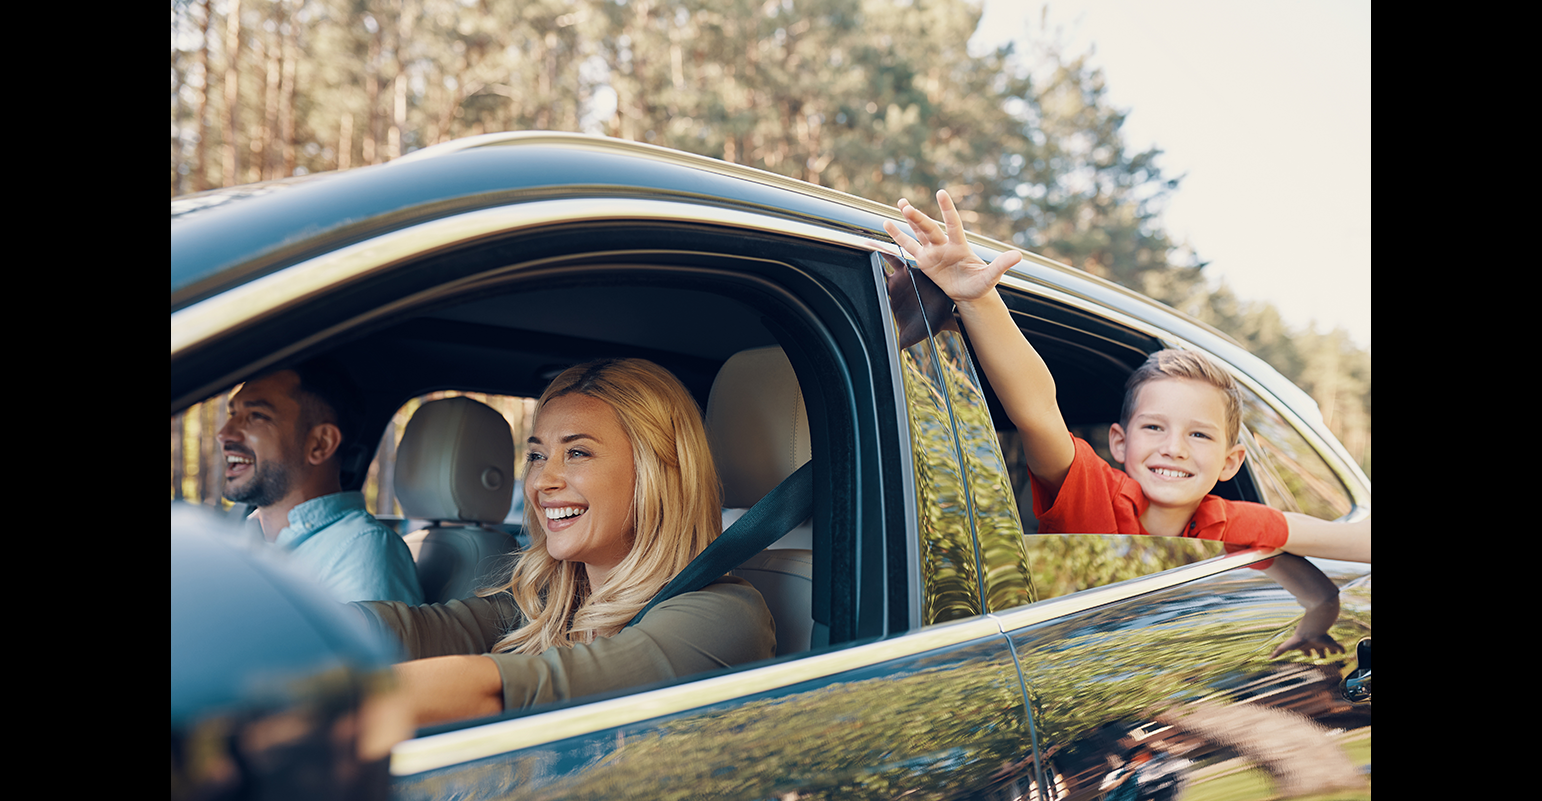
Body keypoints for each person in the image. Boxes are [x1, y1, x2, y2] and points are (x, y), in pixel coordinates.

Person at [884, 192, 1365, 655]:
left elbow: (1350, 550)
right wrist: (980, 300)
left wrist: (1314, 623)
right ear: (1119, 442)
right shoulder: (1094, 496)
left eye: (1199, 434)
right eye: (1154, 428)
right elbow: (1037, 411)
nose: (1174, 447)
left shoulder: (1231, 523)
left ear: (1230, 461)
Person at [354, 358, 776, 727]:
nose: (542, 482)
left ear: (655, 473)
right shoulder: (549, 605)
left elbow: (514, 691)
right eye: (537, 456)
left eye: (577, 453)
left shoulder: (723, 616)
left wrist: (326, 703)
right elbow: (421, 629)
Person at [218, 357, 423, 604]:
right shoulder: (242, 537)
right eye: (233, 413)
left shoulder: (361, 549)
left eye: (256, 415)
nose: (224, 434)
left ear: (320, 443)